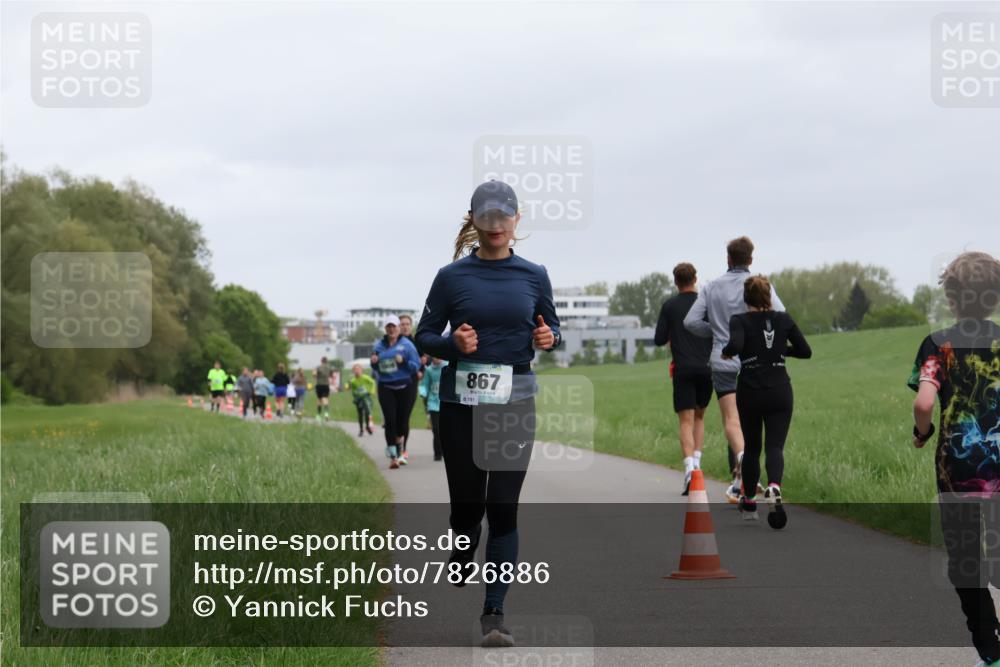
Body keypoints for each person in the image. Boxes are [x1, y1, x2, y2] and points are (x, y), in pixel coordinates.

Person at [414, 180, 561, 648]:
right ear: (475, 219)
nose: (496, 225)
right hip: (462, 402)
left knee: (503, 507)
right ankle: (461, 541)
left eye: (505, 216)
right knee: (467, 506)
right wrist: (450, 344)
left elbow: (550, 325)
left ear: (516, 221)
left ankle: (494, 613)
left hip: (516, 398)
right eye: (488, 216)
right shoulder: (452, 276)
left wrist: (548, 339)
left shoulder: (534, 274)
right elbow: (423, 335)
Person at [907, 251, 1000, 667]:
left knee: (965, 562)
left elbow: (924, 402)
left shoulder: (937, 343)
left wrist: (922, 433)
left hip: (957, 467)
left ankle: (990, 650)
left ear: (952, 297)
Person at [684, 236, 785, 503]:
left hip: (723, 359)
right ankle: (745, 475)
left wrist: (717, 333)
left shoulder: (711, 287)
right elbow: (781, 314)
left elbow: (691, 321)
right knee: (752, 422)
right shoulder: (759, 285)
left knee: (732, 419)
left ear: (728, 259)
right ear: (750, 260)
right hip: (757, 360)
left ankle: (742, 462)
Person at [721, 275, 811, 523]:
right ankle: (774, 486)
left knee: (752, 448)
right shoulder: (783, 319)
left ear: (745, 298)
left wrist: (728, 352)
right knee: (775, 446)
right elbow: (805, 351)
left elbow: (736, 344)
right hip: (780, 391)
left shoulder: (739, 320)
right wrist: (782, 349)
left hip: (750, 391)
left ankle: (749, 504)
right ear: (769, 297)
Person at [654, 262, 713, 495]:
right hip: (707, 368)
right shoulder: (705, 305)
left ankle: (689, 468)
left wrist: (672, 333)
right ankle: (697, 464)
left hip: (682, 369)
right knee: (699, 417)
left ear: (675, 281)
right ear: (695, 278)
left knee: (685, 421)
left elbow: (659, 339)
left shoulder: (669, 306)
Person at [371, 315, 422, 468]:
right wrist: (373, 363)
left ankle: (399, 448)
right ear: (385, 329)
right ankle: (394, 456)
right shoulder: (379, 346)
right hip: (386, 386)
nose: (391, 329)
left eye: (394, 326)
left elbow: (416, 365)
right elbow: (375, 366)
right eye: (388, 327)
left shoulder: (407, 345)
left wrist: (403, 361)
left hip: (404, 387)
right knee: (390, 420)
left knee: (401, 421)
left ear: (398, 328)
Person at [398, 313, 423, 459]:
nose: (405, 326)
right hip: (395, 381)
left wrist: (421, 370)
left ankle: (403, 449)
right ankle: (396, 444)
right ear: (398, 326)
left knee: (405, 416)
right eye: (402, 324)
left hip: (411, 381)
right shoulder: (393, 342)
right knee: (395, 416)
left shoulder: (416, 342)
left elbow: (425, 358)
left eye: (407, 324)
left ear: (411, 326)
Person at [419, 357, 448, 461]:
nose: (437, 359)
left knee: (446, 430)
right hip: (433, 403)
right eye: (434, 356)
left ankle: (447, 451)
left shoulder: (447, 366)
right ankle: (437, 453)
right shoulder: (429, 370)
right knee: (436, 429)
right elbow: (424, 385)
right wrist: (423, 392)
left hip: (446, 403)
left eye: (439, 356)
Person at [347, 363, 377, 436]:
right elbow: (353, 389)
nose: (357, 371)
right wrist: (355, 394)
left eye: (358, 369)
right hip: (359, 399)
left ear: (362, 370)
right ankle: (361, 429)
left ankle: (367, 426)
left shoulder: (365, 377)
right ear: (353, 371)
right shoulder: (353, 381)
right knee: (360, 414)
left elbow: (373, 382)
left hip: (366, 397)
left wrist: (371, 391)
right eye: (355, 370)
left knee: (367, 412)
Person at [314, 356, 333, 422]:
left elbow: (314, 375)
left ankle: (319, 415)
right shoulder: (329, 368)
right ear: (327, 361)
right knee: (325, 399)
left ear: (321, 361)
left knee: (319, 400)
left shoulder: (318, 367)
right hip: (326, 385)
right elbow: (331, 375)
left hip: (319, 385)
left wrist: (315, 375)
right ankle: (326, 414)